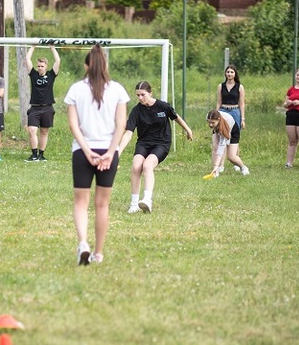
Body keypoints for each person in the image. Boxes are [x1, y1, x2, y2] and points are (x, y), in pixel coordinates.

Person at [64, 44, 129, 265]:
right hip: (108, 152)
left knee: (81, 202)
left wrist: (86, 150)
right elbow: (121, 125)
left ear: (86, 65)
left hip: (83, 152)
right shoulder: (118, 90)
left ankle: (83, 243)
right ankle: (98, 253)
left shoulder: (75, 89)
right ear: (105, 65)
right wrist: (111, 152)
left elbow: (73, 125)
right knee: (102, 204)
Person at [118, 80, 193, 214]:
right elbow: (129, 133)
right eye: (138, 95)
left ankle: (147, 200)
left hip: (161, 143)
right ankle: (134, 204)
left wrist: (188, 130)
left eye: (143, 94)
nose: (140, 98)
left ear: (150, 93)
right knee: (136, 166)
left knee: (147, 166)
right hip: (144, 143)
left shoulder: (162, 106)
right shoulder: (136, 111)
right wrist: (118, 152)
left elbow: (175, 117)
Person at [24, 45, 60, 162]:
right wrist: (33, 46)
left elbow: (58, 61)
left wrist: (52, 47)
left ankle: (41, 155)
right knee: (32, 130)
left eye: (42, 66)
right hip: (34, 108)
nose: (40, 68)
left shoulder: (51, 75)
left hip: (47, 108)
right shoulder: (33, 74)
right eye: (38, 66)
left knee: (44, 132)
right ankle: (34, 154)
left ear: (46, 67)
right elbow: (27, 59)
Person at [215, 64, 246, 171]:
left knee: (234, 137)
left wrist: (242, 118)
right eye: (228, 72)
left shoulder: (240, 87)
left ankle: (236, 163)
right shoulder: (221, 86)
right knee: (222, 136)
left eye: (232, 72)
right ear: (225, 73)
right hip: (223, 110)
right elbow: (219, 102)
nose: (229, 74)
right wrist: (216, 114)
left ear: (235, 74)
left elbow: (241, 103)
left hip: (235, 111)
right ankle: (221, 165)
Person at [205, 109, 250, 177]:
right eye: (209, 122)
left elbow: (221, 147)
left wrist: (216, 165)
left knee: (231, 157)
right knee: (215, 147)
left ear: (219, 119)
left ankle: (243, 167)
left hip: (233, 131)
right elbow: (217, 148)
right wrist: (216, 167)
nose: (210, 125)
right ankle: (215, 171)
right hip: (218, 128)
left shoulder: (227, 122)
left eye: (212, 122)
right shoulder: (209, 116)